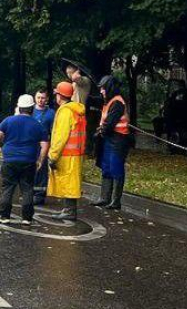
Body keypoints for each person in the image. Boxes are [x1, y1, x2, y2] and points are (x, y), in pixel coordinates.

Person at [0, 94, 50, 225]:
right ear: (32, 108)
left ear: (19, 107)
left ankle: (4, 216)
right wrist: (40, 160)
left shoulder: (8, 120)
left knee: (8, 187)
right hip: (29, 160)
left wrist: (1, 145)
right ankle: (27, 218)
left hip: (10, 160)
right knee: (27, 189)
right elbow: (45, 144)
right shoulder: (37, 124)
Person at [47, 81, 87, 221]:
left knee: (68, 183)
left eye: (56, 94)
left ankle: (70, 212)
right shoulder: (77, 110)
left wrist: (52, 155)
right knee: (71, 182)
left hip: (66, 154)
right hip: (76, 154)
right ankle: (68, 210)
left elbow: (60, 136)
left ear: (60, 96)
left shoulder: (65, 112)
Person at [91, 75, 131, 209]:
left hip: (118, 139)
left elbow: (110, 123)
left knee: (116, 168)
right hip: (109, 139)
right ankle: (104, 198)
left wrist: (100, 131)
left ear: (109, 87)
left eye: (103, 88)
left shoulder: (117, 102)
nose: (101, 91)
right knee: (106, 167)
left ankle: (116, 201)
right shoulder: (109, 101)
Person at [31, 89, 56, 205]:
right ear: (35, 98)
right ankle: (28, 192)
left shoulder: (51, 113)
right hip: (30, 144)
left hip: (44, 145)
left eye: (43, 98)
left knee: (41, 169)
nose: (40, 100)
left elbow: (54, 130)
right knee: (29, 168)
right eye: (38, 97)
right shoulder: (30, 110)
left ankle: (39, 195)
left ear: (47, 99)